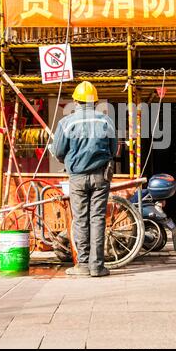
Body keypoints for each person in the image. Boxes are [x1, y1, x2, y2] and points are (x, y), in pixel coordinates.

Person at [50, 81, 117, 277]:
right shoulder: (106, 121)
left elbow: (58, 151)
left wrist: (71, 161)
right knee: (97, 219)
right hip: (100, 177)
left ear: (75, 101)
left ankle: (83, 265)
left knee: (80, 220)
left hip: (77, 177)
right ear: (95, 102)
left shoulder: (66, 122)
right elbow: (113, 150)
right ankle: (97, 267)